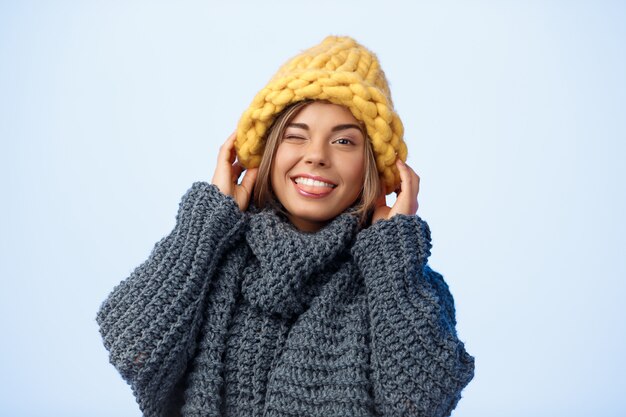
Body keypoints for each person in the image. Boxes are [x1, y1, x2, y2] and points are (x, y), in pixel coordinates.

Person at [97, 35, 475, 417]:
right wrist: (204, 225)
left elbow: (422, 403)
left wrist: (393, 258)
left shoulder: (401, 280)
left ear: (375, 168)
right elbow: (133, 347)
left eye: (344, 141)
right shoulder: (213, 260)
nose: (316, 156)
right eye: (296, 135)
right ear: (267, 150)